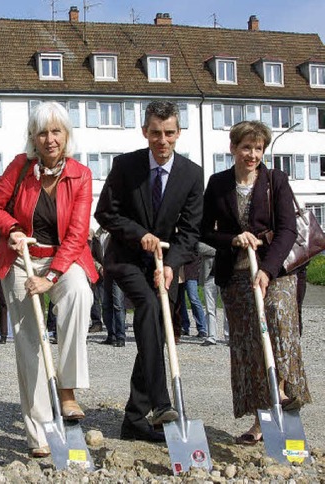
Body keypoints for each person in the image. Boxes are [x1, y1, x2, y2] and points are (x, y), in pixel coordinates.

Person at [0, 101, 97, 457]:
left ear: (66, 135)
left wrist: (53, 277)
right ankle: (40, 431)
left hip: (63, 259)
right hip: (21, 260)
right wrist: (13, 229)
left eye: (56, 131)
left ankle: (68, 390)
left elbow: (78, 233)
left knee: (80, 293)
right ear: (33, 136)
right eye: (43, 132)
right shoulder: (20, 167)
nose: (50, 139)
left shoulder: (80, 174)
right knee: (28, 343)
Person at [94, 100, 203, 442]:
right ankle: (161, 403)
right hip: (126, 258)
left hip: (164, 264)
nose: (162, 140)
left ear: (178, 134)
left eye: (169, 133)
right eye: (155, 133)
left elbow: (190, 233)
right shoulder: (126, 166)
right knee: (151, 308)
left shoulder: (191, 173)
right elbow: (105, 213)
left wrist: (171, 266)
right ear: (145, 132)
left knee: (154, 329)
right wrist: (139, 234)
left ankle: (134, 420)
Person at [201, 120, 310, 445]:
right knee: (248, 346)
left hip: (275, 273)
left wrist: (268, 269)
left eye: (258, 148)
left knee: (278, 325)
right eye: (246, 147)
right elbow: (206, 230)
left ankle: (284, 396)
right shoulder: (218, 183)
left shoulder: (275, 180)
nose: (252, 154)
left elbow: (289, 229)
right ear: (233, 148)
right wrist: (233, 238)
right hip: (235, 277)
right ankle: (261, 423)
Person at [94, 227, 127, 346]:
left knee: (118, 305)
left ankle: (121, 337)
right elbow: (93, 255)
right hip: (104, 274)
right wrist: (99, 267)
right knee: (106, 305)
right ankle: (111, 335)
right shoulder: (97, 236)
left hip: (116, 273)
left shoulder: (116, 233)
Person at [197, 241, 224, 346]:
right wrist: (220, 250)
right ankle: (211, 336)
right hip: (209, 277)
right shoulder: (208, 234)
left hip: (223, 275)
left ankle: (228, 336)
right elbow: (199, 247)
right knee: (210, 308)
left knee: (227, 308)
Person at [176, 251, 208, 338]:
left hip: (191, 272)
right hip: (178, 272)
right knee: (180, 300)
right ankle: (184, 326)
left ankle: (202, 328)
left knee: (193, 298)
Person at [88, 228, 105, 333]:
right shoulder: (95, 237)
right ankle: (96, 322)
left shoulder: (96, 239)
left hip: (102, 271)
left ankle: (113, 325)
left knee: (105, 298)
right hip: (92, 271)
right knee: (93, 298)